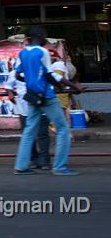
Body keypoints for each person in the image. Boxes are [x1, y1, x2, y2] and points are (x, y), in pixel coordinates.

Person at [13, 27, 84, 176]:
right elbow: (50, 75)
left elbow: (18, 75)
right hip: (46, 96)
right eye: (45, 36)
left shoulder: (23, 53)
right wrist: (72, 86)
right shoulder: (43, 52)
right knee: (62, 129)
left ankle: (21, 166)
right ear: (41, 36)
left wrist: (31, 80)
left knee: (29, 131)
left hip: (32, 96)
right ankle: (59, 167)